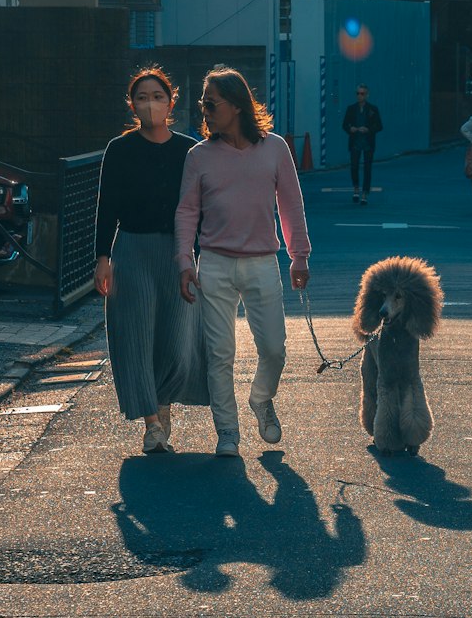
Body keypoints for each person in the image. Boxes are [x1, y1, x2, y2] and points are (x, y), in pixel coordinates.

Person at [175, 66, 311, 458]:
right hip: (214, 263)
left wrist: (298, 255)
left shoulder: (275, 149)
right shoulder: (198, 156)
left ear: (236, 105)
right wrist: (185, 262)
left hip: (262, 262)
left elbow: (291, 203)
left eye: (210, 103)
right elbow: (186, 212)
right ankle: (227, 433)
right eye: (203, 103)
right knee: (220, 354)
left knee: (274, 349)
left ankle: (261, 398)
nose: (204, 110)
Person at [94, 67, 208, 456]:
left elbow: (200, 208)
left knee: (178, 340)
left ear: (171, 102)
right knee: (136, 337)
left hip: (177, 251)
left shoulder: (188, 150)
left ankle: (163, 404)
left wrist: (200, 255)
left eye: (157, 96)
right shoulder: (119, 149)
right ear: (132, 104)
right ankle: (152, 425)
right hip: (132, 249)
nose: (150, 104)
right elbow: (106, 205)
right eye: (142, 97)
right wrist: (102, 257)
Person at [341, 84, 383, 204]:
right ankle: (355, 189)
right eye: (358, 93)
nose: (359, 96)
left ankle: (364, 193)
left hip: (368, 142)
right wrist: (351, 129)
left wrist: (368, 129)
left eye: (362, 94)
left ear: (367, 95)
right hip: (355, 141)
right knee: (354, 166)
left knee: (367, 168)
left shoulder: (372, 109)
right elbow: (344, 124)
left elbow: (379, 125)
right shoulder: (351, 109)